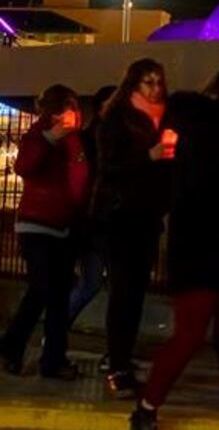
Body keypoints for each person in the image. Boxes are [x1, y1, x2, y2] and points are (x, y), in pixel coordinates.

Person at [130, 65, 219, 430]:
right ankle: (148, 404)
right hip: (205, 251)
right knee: (191, 335)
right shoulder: (204, 137)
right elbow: (198, 194)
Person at [92, 59, 171, 398]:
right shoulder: (118, 117)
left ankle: (123, 357)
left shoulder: (164, 119)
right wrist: (148, 157)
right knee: (123, 291)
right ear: (134, 85)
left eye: (159, 82)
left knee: (136, 292)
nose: (155, 89)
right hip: (120, 214)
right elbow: (109, 166)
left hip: (147, 216)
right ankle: (118, 364)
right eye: (148, 82)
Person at [0, 85, 89, 380]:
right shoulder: (38, 135)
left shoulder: (76, 141)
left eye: (75, 107)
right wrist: (52, 137)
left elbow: (80, 180)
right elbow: (25, 165)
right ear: (53, 112)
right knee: (42, 288)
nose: (73, 113)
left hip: (66, 225)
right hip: (37, 224)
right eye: (68, 107)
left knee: (59, 295)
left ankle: (53, 359)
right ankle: (11, 347)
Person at [68, 86, 117, 343]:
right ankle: (57, 331)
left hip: (105, 221)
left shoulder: (110, 138)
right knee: (92, 283)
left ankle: (57, 331)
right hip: (94, 222)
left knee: (97, 284)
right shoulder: (90, 140)